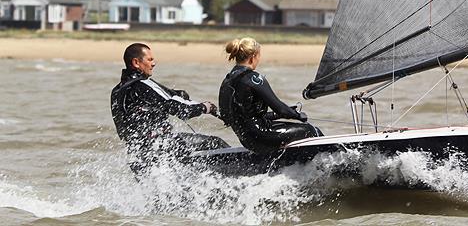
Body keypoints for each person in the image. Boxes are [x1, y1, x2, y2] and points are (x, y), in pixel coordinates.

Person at [111, 42, 228, 173]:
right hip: (162, 145)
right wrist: (204, 107)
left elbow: (165, 97)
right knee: (214, 143)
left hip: (138, 155)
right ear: (136, 63)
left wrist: (180, 94)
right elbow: (178, 108)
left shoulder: (117, 91)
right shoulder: (142, 84)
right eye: (150, 60)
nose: (153, 63)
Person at [219, 37, 322, 154]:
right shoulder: (254, 78)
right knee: (311, 130)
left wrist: (274, 115)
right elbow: (281, 109)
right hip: (263, 136)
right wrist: (297, 115)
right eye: (259, 56)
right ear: (253, 57)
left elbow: (231, 117)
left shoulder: (227, 81)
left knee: (289, 130)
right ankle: (333, 160)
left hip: (247, 141)